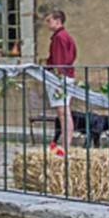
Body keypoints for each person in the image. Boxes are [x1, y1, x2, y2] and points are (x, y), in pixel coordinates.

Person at [44, 10, 77, 148]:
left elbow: (59, 59)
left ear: (58, 21)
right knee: (65, 111)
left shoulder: (59, 38)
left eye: (49, 20)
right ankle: (66, 142)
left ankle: (66, 143)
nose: (47, 23)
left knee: (63, 112)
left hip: (60, 78)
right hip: (66, 75)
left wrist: (55, 72)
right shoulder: (65, 36)